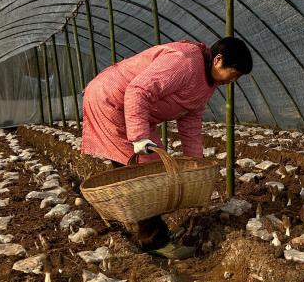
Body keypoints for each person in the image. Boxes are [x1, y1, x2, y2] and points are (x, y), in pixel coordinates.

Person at [81, 37, 252, 251]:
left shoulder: (209, 83)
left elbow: (190, 122)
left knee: (153, 167)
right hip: (111, 100)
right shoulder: (185, 62)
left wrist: (194, 164)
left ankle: (148, 227)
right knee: (144, 172)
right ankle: (153, 240)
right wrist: (139, 135)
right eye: (234, 74)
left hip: (132, 108)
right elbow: (138, 90)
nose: (233, 81)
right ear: (218, 60)